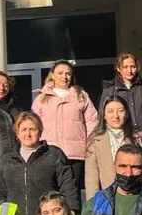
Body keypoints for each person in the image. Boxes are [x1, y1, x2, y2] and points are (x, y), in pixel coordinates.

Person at [0, 111, 79, 215]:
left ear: (40, 131)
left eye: (32, 129)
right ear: (17, 133)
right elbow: (0, 192)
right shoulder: (7, 161)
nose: (28, 134)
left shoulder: (54, 155)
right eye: (24, 130)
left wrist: (72, 210)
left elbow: (68, 185)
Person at [32, 60, 98, 192]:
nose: (64, 77)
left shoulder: (81, 96)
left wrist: (90, 146)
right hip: (49, 154)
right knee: (51, 193)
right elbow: (34, 125)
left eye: (68, 73)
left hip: (75, 155)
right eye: (60, 73)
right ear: (52, 75)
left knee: (72, 193)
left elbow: (92, 122)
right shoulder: (41, 98)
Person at [84, 94, 134, 197]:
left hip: (133, 196)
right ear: (104, 115)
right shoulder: (95, 140)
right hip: (107, 197)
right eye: (110, 111)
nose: (116, 116)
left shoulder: (138, 138)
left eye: (120, 111)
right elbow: (91, 177)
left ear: (127, 113)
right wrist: (93, 203)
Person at [100, 52, 142, 144]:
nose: (129, 70)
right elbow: (102, 116)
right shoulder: (109, 90)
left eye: (132, 67)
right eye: (125, 67)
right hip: (120, 138)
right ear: (118, 68)